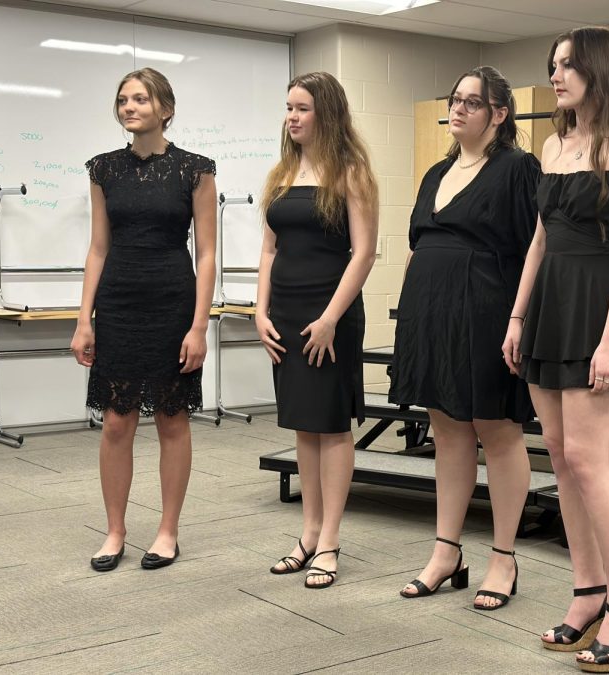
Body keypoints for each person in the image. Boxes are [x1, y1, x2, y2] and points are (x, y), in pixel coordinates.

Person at [503, 27, 609, 672]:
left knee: (592, 463)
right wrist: (517, 317)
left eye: (569, 64)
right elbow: (540, 242)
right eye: (552, 64)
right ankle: (588, 593)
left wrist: (608, 344)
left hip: (598, 309)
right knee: (563, 462)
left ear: (599, 71)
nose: (557, 74)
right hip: (549, 307)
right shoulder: (552, 144)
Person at [390, 66, 540, 610]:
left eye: (471, 103)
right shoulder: (436, 172)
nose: (457, 110)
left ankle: (504, 557)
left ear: (499, 114)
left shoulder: (519, 169)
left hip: (487, 312)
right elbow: (418, 244)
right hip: (432, 314)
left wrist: (519, 321)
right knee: (447, 430)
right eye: (454, 100)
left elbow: (533, 252)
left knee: (498, 432)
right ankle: (446, 551)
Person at [71, 67, 217, 572]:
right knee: (116, 422)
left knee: (172, 420)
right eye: (122, 100)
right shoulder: (103, 169)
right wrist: (83, 318)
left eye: (139, 99)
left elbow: (208, 253)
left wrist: (199, 326)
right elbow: (96, 248)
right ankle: (115, 531)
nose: (128, 107)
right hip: (118, 304)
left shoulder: (195, 169)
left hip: (172, 304)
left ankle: (167, 531)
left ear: (165, 108)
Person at [258, 72, 378, 589]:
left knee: (330, 425)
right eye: (288, 107)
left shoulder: (351, 172)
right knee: (303, 426)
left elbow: (365, 252)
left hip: (331, 316)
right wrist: (258, 312)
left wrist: (330, 318)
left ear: (326, 113)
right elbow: (269, 251)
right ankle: (306, 533)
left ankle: (329, 541)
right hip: (284, 314)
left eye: (302, 108)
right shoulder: (281, 173)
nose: (292, 117)